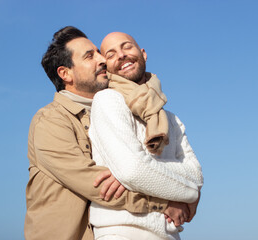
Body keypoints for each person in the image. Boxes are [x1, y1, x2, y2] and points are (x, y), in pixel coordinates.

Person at [24, 26, 180, 240]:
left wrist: (185, 193)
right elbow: (97, 185)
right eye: (90, 56)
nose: (102, 60)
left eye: (99, 52)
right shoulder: (50, 121)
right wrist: (165, 202)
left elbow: (152, 168)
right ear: (65, 73)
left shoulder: (119, 111)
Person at [88, 32, 204, 240]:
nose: (122, 55)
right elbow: (133, 171)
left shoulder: (171, 119)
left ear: (143, 53)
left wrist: (141, 171)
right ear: (107, 66)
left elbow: (196, 175)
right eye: (111, 54)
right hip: (121, 232)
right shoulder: (107, 101)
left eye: (127, 47)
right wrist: (192, 194)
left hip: (169, 234)